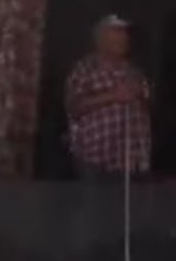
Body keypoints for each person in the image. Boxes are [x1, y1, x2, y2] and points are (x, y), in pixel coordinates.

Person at [65, 15, 153, 180]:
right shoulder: (84, 70)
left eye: (125, 33)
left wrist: (142, 95)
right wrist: (112, 96)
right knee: (95, 205)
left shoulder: (134, 71)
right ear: (101, 38)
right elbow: (73, 107)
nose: (124, 38)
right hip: (96, 161)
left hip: (131, 160)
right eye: (117, 32)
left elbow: (148, 105)